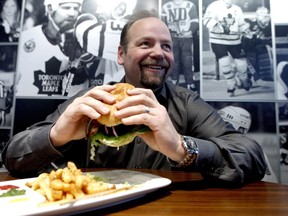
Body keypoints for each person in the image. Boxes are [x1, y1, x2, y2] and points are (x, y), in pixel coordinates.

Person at [2, 11, 266, 186]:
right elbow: (13, 156)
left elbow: (252, 157)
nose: (159, 53)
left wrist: (180, 146)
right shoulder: (91, 101)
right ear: (120, 55)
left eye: (166, 46)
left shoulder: (186, 104)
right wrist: (56, 136)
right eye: (145, 44)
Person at [16, 0, 94, 97]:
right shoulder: (25, 38)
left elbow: (79, 94)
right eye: (66, 8)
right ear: (50, 8)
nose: (72, 13)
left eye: (76, 8)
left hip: (64, 110)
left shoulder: (83, 44)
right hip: (27, 109)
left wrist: (78, 71)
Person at [203, 0, 252, 97]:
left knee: (241, 65)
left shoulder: (237, 9)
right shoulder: (213, 6)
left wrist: (246, 30)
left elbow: (241, 24)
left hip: (234, 40)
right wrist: (217, 25)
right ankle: (231, 86)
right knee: (225, 63)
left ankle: (244, 79)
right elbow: (206, 19)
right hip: (218, 40)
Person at [218, 105, 277, 183]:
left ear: (241, 129)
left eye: (224, 124)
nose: (217, 127)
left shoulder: (249, 151)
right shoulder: (219, 145)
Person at [161, 0, 198, 91]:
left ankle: (190, 82)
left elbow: (194, 21)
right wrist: (167, 33)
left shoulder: (189, 5)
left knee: (188, 60)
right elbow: (163, 22)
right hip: (172, 37)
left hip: (186, 36)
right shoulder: (166, 6)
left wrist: (190, 31)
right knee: (173, 59)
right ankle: (174, 80)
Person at [241, 6, 273, 82]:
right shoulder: (251, 24)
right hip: (250, 46)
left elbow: (269, 38)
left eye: (266, 15)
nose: (266, 17)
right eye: (263, 15)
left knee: (262, 49)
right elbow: (245, 35)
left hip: (264, 46)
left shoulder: (271, 24)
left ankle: (265, 75)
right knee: (251, 51)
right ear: (258, 16)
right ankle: (247, 77)